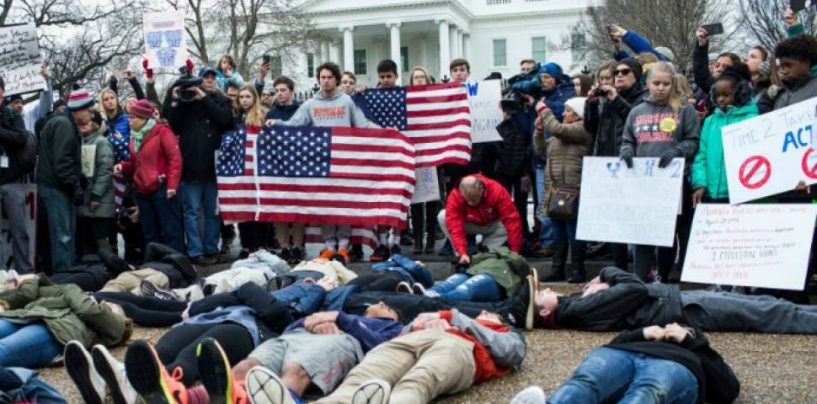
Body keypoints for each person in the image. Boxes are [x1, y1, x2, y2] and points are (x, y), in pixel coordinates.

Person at [268, 62, 378, 264]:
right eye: (322, 77)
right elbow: (295, 125)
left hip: (345, 163)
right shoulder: (310, 104)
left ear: (336, 79)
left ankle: (343, 246)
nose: (325, 81)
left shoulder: (347, 101)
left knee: (343, 206)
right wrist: (278, 124)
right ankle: (329, 246)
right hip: (320, 164)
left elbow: (363, 125)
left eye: (329, 77)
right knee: (326, 206)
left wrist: (385, 131)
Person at [301, 309, 525, 404]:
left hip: (458, 346)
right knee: (360, 379)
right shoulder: (439, 318)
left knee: (418, 381)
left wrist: (456, 319)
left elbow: (510, 353)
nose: (483, 314)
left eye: (489, 315)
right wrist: (417, 325)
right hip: (408, 340)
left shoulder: (504, 332)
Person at [534, 266, 817, 334]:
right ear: (546, 312)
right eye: (541, 295)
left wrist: (605, 284)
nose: (545, 290)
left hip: (681, 302)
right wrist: (608, 273)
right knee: (770, 312)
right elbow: (636, 289)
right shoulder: (580, 309)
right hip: (687, 309)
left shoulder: (574, 305)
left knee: (769, 304)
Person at [511, 323, 740, 404]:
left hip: (675, 365)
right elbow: (611, 345)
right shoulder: (642, 336)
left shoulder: (697, 352)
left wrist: (690, 340)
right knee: (586, 381)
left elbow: (728, 390)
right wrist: (642, 332)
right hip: (624, 353)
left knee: (649, 391)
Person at [223, 303, 402, 403]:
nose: (380, 303)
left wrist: (340, 319)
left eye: (387, 307)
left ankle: (286, 400)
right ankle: (202, 397)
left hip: (340, 341)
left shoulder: (393, 327)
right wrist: (315, 324)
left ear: (394, 317)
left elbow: (379, 346)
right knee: (246, 367)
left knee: (296, 370)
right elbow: (290, 327)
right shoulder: (340, 313)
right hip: (296, 336)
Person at [620, 61, 700, 283]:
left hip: (673, 182)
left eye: (666, 83)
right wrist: (626, 151)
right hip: (643, 183)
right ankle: (639, 277)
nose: (661, 88)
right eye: (656, 83)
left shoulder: (685, 110)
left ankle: (663, 277)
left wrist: (678, 150)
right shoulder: (636, 112)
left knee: (667, 232)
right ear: (647, 84)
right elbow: (627, 139)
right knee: (644, 231)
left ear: (672, 84)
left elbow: (693, 141)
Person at [164, 64, 234, 265]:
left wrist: (204, 98)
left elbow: (224, 119)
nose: (210, 80)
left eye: (213, 77)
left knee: (213, 212)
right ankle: (195, 252)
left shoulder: (222, 100)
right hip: (191, 166)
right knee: (192, 212)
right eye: (206, 77)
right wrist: (176, 97)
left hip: (214, 167)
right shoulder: (186, 102)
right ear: (199, 80)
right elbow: (172, 122)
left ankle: (211, 249)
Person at [583, 58, 646, 270]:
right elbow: (591, 127)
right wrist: (590, 103)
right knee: (613, 221)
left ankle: (640, 269)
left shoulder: (643, 98)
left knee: (634, 220)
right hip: (606, 163)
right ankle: (618, 268)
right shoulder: (607, 99)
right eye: (616, 72)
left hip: (630, 164)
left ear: (636, 75)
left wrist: (615, 98)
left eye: (625, 72)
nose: (619, 75)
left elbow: (636, 122)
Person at [0, 275, 131, 369]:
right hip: (32, 317)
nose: (104, 302)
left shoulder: (117, 325)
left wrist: (76, 291)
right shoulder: (72, 304)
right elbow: (37, 294)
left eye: (112, 305)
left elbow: (87, 310)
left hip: (56, 331)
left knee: (3, 350)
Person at [37, 88, 95, 272]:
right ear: (79, 109)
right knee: (63, 237)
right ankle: (64, 277)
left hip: (58, 187)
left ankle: (68, 273)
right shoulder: (63, 125)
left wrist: (79, 178)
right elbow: (62, 162)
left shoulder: (64, 123)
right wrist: (74, 186)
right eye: (90, 111)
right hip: (57, 188)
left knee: (65, 235)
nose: (92, 115)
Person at [535, 97, 592, 283]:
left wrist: (544, 110)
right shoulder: (561, 136)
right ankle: (557, 270)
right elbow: (543, 150)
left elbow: (558, 129)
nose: (563, 114)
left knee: (573, 232)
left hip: (574, 189)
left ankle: (578, 271)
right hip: (555, 188)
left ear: (578, 114)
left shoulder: (582, 129)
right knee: (559, 232)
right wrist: (539, 132)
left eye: (567, 110)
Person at [115, 99, 185, 253]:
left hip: (163, 188)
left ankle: (177, 263)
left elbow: (175, 159)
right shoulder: (134, 137)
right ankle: (156, 264)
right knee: (149, 231)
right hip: (142, 190)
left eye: (132, 117)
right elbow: (134, 163)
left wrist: (172, 185)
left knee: (170, 229)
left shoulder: (163, 131)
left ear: (143, 118)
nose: (129, 120)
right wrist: (123, 166)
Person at [691, 65, 758, 206]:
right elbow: (701, 155)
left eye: (726, 95)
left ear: (741, 93)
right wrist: (699, 183)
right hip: (710, 193)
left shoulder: (752, 119)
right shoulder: (710, 121)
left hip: (741, 194)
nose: (721, 99)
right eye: (717, 96)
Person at [438, 174, 523, 265]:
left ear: (481, 189)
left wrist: (515, 252)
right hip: (468, 224)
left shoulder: (496, 190)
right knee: (443, 216)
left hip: (491, 224)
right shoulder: (455, 195)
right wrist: (462, 252)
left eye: (474, 200)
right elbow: (454, 226)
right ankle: (462, 256)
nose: (471, 204)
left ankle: (484, 253)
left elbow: (512, 220)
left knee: (507, 226)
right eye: (467, 200)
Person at [369, 59, 405, 262]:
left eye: (388, 76)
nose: (385, 80)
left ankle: (396, 242)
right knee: (380, 201)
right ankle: (382, 243)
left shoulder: (404, 95)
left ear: (396, 76)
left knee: (399, 201)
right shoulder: (372, 96)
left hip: (400, 155)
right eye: (381, 77)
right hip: (379, 155)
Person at [0, 76, 35, 273]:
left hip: (12, 182)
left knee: (19, 230)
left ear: (2, 93)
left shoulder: (13, 115)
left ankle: (26, 274)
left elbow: (21, 138)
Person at [407, 66, 441, 255]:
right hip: (413, 156)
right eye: (416, 77)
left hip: (431, 156)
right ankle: (418, 240)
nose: (419, 80)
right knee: (416, 202)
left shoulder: (433, 101)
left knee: (431, 200)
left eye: (422, 77)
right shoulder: (406, 101)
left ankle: (431, 240)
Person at [234, 85, 270, 260]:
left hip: (260, 169)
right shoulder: (235, 117)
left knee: (260, 207)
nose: (244, 100)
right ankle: (247, 245)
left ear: (254, 98)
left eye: (248, 96)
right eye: (241, 97)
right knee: (243, 207)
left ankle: (261, 244)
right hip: (241, 169)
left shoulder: (264, 115)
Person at [76, 116, 117, 259]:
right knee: (87, 245)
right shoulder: (79, 141)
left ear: (96, 124)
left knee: (102, 242)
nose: (83, 124)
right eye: (81, 121)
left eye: (87, 121)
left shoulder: (102, 142)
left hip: (99, 203)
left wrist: (96, 194)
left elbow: (105, 170)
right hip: (84, 202)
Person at [97, 87, 131, 163]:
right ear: (102, 103)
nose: (110, 101)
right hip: (107, 163)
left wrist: (122, 140)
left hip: (126, 163)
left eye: (112, 98)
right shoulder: (102, 122)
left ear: (117, 100)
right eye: (106, 99)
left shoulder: (127, 120)